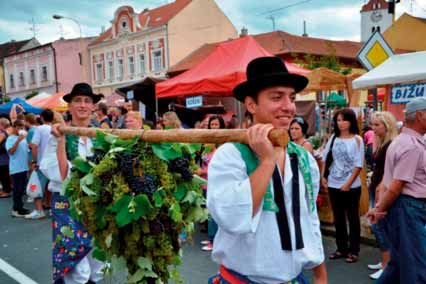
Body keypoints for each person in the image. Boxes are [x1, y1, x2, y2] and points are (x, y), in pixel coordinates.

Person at [207, 57, 327, 284]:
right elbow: (232, 217)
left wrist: (320, 274)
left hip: (294, 279)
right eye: (276, 97)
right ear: (251, 104)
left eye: (291, 98)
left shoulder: (302, 158)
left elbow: (308, 217)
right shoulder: (230, 155)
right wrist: (267, 161)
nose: (288, 106)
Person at [40, 83, 104, 284]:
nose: (83, 105)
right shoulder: (60, 134)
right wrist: (60, 141)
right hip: (68, 204)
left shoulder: (100, 137)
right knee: (76, 268)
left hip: (96, 205)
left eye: (87, 101)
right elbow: (60, 174)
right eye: (77, 100)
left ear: (93, 106)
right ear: (70, 106)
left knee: (98, 265)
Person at [367, 97, 426, 284]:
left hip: (405, 209)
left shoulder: (401, 141)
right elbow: (396, 185)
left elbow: (389, 182)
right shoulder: (412, 146)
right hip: (408, 209)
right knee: (415, 270)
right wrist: (379, 210)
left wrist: (380, 207)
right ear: (420, 115)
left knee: (399, 265)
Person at [322, 108, 364, 264]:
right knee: (338, 218)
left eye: (344, 120)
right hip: (333, 183)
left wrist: (348, 183)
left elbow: (358, 165)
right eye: (338, 120)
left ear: (351, 121)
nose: (341, 123)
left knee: (353, 218)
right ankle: (341, 248)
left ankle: (354, 250)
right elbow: (325, 157)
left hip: (352, 186)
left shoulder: (357, 139)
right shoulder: (333, 137)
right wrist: (323, 177)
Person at [366, 111, 397, 280]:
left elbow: (388, 171)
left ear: (387, 125)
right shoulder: (383, 142)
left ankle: (386, 265)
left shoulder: (391, 144)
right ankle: (384, 261)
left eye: (377, 124)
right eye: (373, 124)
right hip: (377, 186)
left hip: (381, 189)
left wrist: (380, 190)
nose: (374, 128)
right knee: (379, 226)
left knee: (379, 226)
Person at [197, 115, 225, 252]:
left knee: (214, 213)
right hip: (205, 184)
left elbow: (217, 167)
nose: (214, 127)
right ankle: (212, 238)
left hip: (216, 184)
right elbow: (203, 161)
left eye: (216, 125)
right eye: (212, 125)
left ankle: (215, 241)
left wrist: (201, 172)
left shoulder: (223, 146)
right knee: (209, 212)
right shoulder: (206, 144)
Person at [26, 109, 55, 219]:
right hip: (53, 163)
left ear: (42, 118)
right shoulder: (55, 128)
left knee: (37, 187)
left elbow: (34, 146)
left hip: (42, 163)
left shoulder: (39, 129)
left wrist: (34, 161)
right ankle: (52, 209)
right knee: (52, 187)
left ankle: (39, 211)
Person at [6, 120, 30, 217]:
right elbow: (11, 152)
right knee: (17, 189)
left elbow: (26, 152)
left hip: (24, 167)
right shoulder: (10, 138)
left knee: (21, 189)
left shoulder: (24, 138)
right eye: (19, 127)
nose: (21, 129)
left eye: (23, 127)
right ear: (14, 127)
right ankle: (15, 209)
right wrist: (18, 140)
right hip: (16, 168)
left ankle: (20, 207)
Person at [0, 118, 11, 198]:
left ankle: (6, 191)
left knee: (4, 175)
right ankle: (5, 190)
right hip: (4, 157)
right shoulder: (6, 132)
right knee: (3, 175)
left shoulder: (3, 133)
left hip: (3, 158)